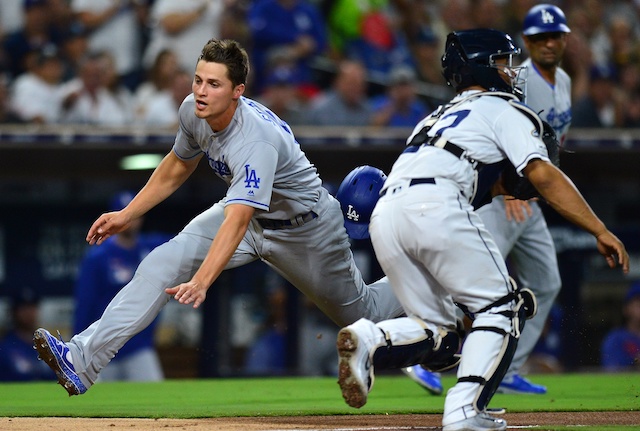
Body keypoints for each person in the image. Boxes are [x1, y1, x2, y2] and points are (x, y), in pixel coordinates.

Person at [33, 38, 405, 396]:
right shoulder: (193, 111)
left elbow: (238, 220)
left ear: (237, 91)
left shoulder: (254, 140)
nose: (201, 91)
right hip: (249, 218)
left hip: (306, 230)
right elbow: (179, 163)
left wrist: (202, 280)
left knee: (361, 314)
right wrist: (128, 214)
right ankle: (82, 359)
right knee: (162, 262)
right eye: (198, 80)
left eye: (213, 84)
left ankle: (424, 280)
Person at [334, 28, 629, 431]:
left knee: (435, 330)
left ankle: (369, 338)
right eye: (503, 62)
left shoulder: (433, 117)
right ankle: (464, 409)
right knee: (503, 308)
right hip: (438, 204)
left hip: (390, 212)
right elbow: (542, 172)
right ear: (481, 68)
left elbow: (476, 179)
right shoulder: (503, 108)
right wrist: (599, 228)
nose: (512, 71)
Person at [407, 2, 573, 396]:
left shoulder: (563, 80)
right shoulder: (518, 76)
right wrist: (514, 185)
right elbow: (498, 128)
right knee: (466, 278)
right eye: (539, 38)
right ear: (528, 42)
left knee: (547, 282)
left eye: (555, 36)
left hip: (529, 201)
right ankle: (417, 351)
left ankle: (509, 368)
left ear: (564, 39)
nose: (548, 44)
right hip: (504, 197)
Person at [73, 191, 169, 382]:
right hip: (102, 346)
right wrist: (78, 348)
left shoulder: (151, 247)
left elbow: (187, 242)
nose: (132, 220)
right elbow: (85, 303)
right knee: (93, 405)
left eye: (136, 213)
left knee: (156, 399)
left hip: (139, 346)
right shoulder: (98, 256)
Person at [0, 289, 55, 382]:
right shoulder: (5, 348)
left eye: (32, 307)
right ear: (14, 312)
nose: (28, 313)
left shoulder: (48, 345)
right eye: (24, 308)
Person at [601, 282, 640, 371]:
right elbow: (611, 371)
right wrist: (635, 361)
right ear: (626, 309)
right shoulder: (616, 338)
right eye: (638, 304)